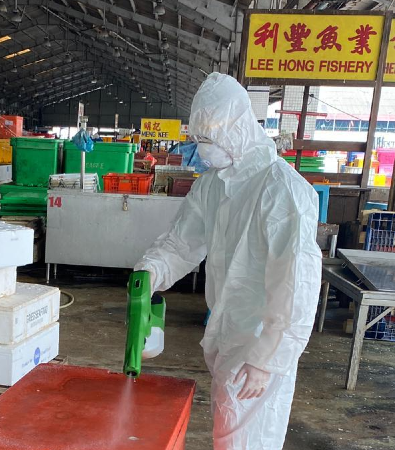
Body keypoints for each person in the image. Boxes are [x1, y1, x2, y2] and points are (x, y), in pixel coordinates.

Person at [135, 73, 321, 450]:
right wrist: (152, 269)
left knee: (250, 439)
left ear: (238, 129)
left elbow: (296, 284)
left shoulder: (283, 190)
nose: (204, 150)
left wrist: (267, 358)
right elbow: (182, 242)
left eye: (211, 139)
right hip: (224, 332)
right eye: (200, 139)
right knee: (228, 429)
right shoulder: (214, 184)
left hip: (259, 342)